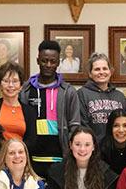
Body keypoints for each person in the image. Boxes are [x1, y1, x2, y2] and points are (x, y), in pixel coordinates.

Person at [19, 39, 81, 179]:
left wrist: (70, 153)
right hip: (30, 159)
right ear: (37, 60)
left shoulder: (68, 91)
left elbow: (75, 125)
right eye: (44, 61)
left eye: (52, 61)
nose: (48, 65)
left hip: (60, 159)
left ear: (58, 62)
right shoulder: (25, 91)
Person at [77, 52, 126, 144]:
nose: (101, 72)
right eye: (97, 69)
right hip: (93, 149)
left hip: (117, 149)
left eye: (105, 68)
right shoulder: (81, 94)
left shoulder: (119, 96)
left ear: (110, 71)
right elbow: (82, 125)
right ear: (90, 73)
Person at [99, 109, 126, 176]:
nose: (121, 130)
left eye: (125, 125)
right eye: (116, 126)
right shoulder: (100, 149)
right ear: (110, 128)